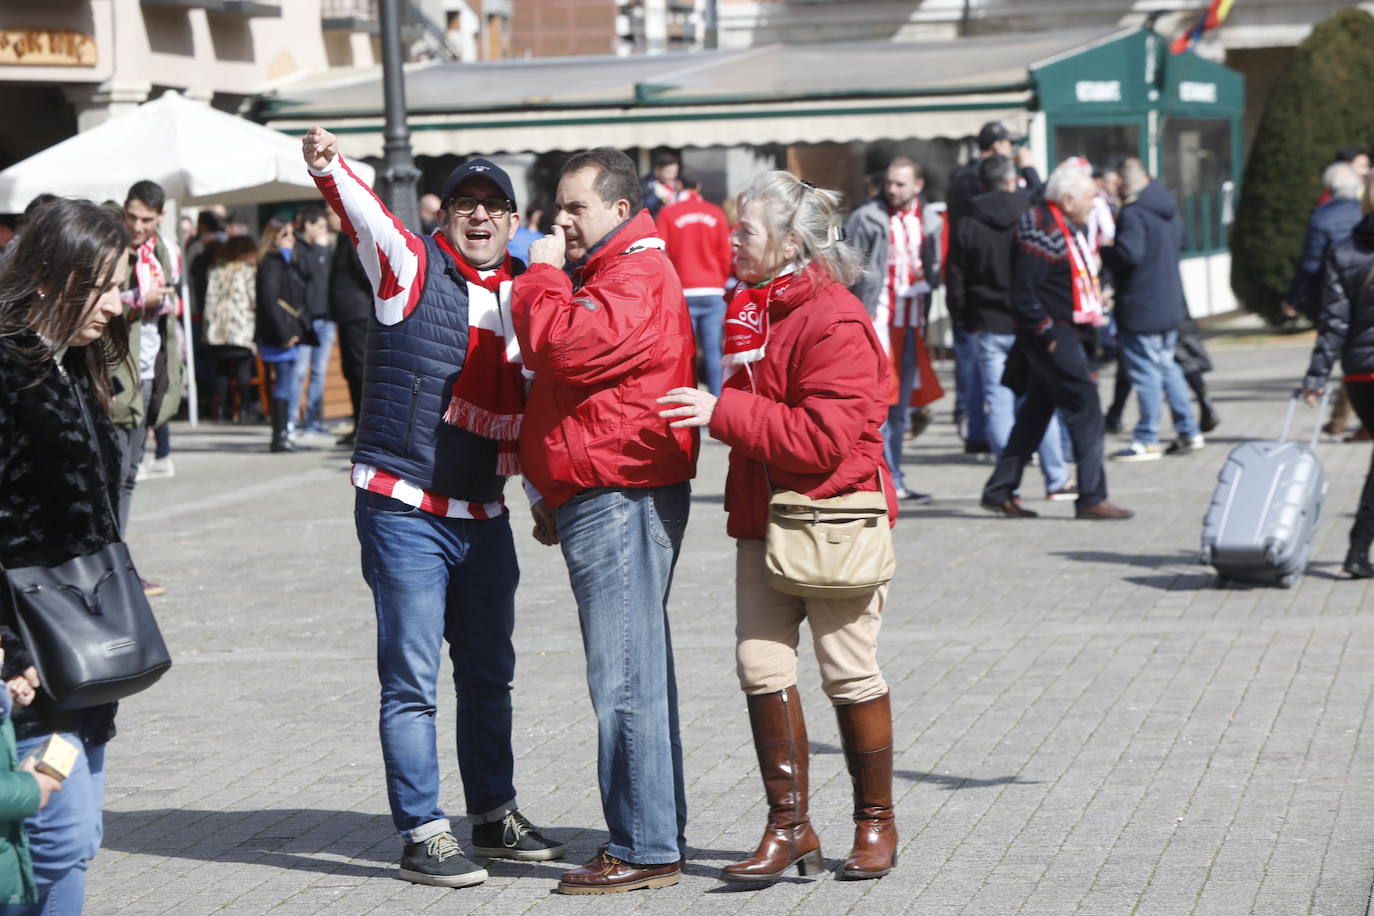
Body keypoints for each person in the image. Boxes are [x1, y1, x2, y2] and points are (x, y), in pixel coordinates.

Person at [304, 127, 564, 888]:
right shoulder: (407, 266)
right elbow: (365, 215)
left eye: (494, 205)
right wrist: (329, 165)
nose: (479, 216)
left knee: (490, 673)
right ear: (443, 214)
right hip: (405, 506)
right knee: (412, 680)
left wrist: (545, 492)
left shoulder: (527, 291)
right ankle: (422, 830)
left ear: (514, 222)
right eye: (465, 203)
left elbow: (543, 397)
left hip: (484, 513)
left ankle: (493, 813)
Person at [658, 170, 900, 883]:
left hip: (832, 517)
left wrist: (720, 413)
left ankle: (875, 824)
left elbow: (825, 438)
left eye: (745, 231)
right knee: (760, 668)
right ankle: (789, 825)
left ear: (791, 243)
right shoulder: (755, 309)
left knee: (849, 674)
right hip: (765, 518)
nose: (732, 241)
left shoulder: (835, 318)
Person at [513, 146, 697, 895]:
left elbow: (556, 344)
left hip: (619, 493)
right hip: (603, 488)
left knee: (623, 678)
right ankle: (651, 833)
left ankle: (644, 846)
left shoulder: (636, 274)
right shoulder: (622, 273)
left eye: (575, 208)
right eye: (557, 208)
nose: (561, 221)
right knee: (637, 671)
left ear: (621, 210)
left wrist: (540, 272)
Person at [0, 196, 133, 914]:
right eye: (104, 286)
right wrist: (5, 644)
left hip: (83, 656)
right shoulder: (9, 367)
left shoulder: (67, 365)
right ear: (51, 277)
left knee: (73, 841)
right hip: (28, 659)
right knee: (55, 837)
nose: (115, 306)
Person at [980, 160, 1133, 520]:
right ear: (1066, 200)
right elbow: (1024, 290)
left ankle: (999, 488)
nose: (1095, 204)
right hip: (1053, 336)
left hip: (1064, 332)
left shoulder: (1063, 224)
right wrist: (1047, 332)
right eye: (1089, 198)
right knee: (1088, 410)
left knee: (1035, 413)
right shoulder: (1041, 227)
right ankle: (1092, 496)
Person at [947, 154, 1073, 500]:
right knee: (1038, 401)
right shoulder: (1028, 214)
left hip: (988, 323)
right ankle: (1056, 478)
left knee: (998, 403)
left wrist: (962, 319)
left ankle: (1010, 484)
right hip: (1026, 320)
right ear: (1009, 180)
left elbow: (955, 277)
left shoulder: (967, 223)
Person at [846, 156, 941, 503]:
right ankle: (879, 478)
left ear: (918, 186)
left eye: (900, 184)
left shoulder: (928, 220)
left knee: (902, 408)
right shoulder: (866, 217)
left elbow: (932, 267)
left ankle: (895, 476)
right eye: (889, 182)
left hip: (913, 323)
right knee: (880, 406)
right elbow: (850, 267)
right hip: (878, 322)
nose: (892, 189)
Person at [1102, 159, 1205, 462]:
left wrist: (1105, 250)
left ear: (1123, 183)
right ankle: (1188, 430)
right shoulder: (1166, 207)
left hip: (1142, 306)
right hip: (1168, 302)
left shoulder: (1134, 212)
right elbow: (1182, 243)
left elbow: (1129, 254)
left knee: (1146, 372)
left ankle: (1147, 437)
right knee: (1166, 366)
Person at [1300, 171, 1374, 577]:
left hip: (1361, 376)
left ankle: (1358, 552)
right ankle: (1357, 551)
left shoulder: (1344, 252)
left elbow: (1333, 323)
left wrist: (1316, 377)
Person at [112, 181, 183, 593]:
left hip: (150, 368)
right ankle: (115, 565)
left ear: (159, 218)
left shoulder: (163, 252)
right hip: (117, 370)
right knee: (116, 472)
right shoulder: (112, 246)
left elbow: (167, 312)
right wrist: (141, 297)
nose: (136, 226)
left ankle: (120, 562)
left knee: (129, 474)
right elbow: (95, 301)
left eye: (145, 219)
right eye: (131, 216)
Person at [656, 170, 732, 396]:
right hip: (713, 289)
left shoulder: (668, 213)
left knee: (684, 351)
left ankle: (684, 401)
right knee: (712, 350)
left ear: (679, 185)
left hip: (683, 291)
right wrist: (719, 280)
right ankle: (717, 404)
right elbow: (726, 253)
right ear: (698, 186)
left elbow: (660, 251)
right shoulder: (716, 213)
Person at [1284, 162, 1364, 323]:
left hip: (1330, 295)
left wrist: (1293, 298)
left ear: (1328, 188)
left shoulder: (1321, 217)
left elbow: (1310, 264)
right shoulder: (1365, 213)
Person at [255, 217, 309, 453]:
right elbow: (269, 300)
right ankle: (279, 436)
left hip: (286, 330)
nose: (292, 239)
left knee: (286, 382)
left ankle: (283, 433)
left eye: (292, 234)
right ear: (274, 238)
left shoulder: (286, 261)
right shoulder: (273, 262)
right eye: (286, 235)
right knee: (283, 384)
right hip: (279, 333)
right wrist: (285, 333)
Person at [290, 206, 337, 437]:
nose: (323, 231)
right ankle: (291, 420)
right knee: (299, 372)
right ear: (308, 225)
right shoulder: (300, 248)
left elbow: (330, 277)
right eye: (320, 226)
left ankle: (312, 419)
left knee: (319, 371)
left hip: (327, 316)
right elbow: (307, 274)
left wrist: (323, 250)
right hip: (306, 318)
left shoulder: (327, 249)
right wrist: (319, 249)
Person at [202, 236, 260, 423]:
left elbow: (209, 299)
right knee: (243, 369)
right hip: (240, 327)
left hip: (217, 330)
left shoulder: (215, 270)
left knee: (221, 371)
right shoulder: (247, 270)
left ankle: (219, 411)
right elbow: (253, 298)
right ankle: (244, 410)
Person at [328, 225, 372, 447]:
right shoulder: (346, 236)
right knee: (351, 370)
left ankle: (363, 428)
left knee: (358, 370)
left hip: (357, 311)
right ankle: (359, 425)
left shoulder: (354, 235)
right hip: (350, 312)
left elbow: (365, 272)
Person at [641, 150, 680, 219]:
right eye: (669, 171)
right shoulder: (647, 186)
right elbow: (647, 206)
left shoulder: (678, 186)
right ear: (657, 171)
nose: (673, 175)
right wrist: (660, 201)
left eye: (675, 172)